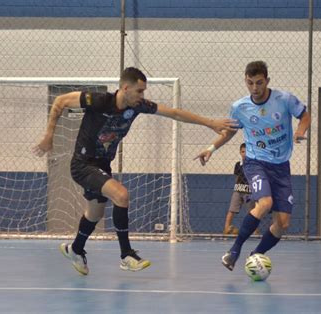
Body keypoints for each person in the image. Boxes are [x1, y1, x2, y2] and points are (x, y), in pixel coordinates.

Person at [33, 67, 237, 275]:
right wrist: (49, 135)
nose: (142, 96)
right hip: (83, 164)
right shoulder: (99, 101)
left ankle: (75, 249)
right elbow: (60, 101)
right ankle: (126, 255)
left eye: (143, 91)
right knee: (121, 195)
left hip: (102, 165)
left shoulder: (138, 106)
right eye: (139, 91)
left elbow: (174, 113)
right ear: (125, 87)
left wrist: (211, 123)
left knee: (94, 213)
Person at [196, 61, 311, 271]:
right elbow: (229, 132)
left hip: (281, 167)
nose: (255, 88)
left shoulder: (284, 99)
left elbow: (305, 115)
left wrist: (301, 131)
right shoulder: (239, 108)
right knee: (264, 202)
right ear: (245, 81)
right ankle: (234, 251)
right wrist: (210, 149)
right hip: (255, 163)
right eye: (250, 83)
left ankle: (256, 254)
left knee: (283, 223)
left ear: (267, 80)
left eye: (259, 83)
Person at [223, 143, 257, 235]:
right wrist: (236, 187)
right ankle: (226, 228)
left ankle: (254, 230)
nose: (244, 154)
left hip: (249, 191)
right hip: (238, 190)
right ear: (240, 152)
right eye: (242, 152)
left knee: (252, 211)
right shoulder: (238, 164)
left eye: (247, 152)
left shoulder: (253, 165)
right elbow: (237, 177)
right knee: (232, 209)